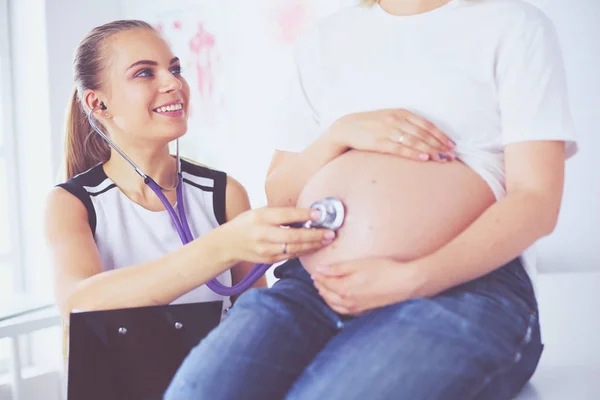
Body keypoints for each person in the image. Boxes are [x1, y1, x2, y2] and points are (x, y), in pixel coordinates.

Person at [165, 0, 578, 399]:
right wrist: (340, 133)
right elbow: (281, 193)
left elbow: (536, 200)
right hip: (312, 288)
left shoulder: (513, 25)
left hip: (461, 287)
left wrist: (415, 277)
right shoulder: (324, 42)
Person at [45, 20, 336, 358]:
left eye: (175, 69)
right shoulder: (71, 204)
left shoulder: (223, 193)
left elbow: (259, 324)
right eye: (144, 73)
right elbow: (80, 304)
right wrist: (222, 246)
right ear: (98, 104)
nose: (173, 83)